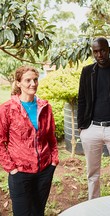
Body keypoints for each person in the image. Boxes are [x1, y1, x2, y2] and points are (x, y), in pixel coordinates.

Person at [0, 66, 59, 216]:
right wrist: (12, 168)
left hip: (45, 170)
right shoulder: (7, 109)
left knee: (38, 212)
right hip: (20, 173)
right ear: (18, 83)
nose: (33, 83)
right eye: (28, 80)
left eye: (35, 79)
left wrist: (54, 161)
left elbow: (51, 137)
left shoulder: (45, 107)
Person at [77, 37, 110, 199]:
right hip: (92, 128)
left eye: (102, 50)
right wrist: (82, 127)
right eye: (96, 51)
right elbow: (82, 99)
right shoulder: (87, 72)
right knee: (92, 173)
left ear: (109, 50)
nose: (99, 54)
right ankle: (94, 206)